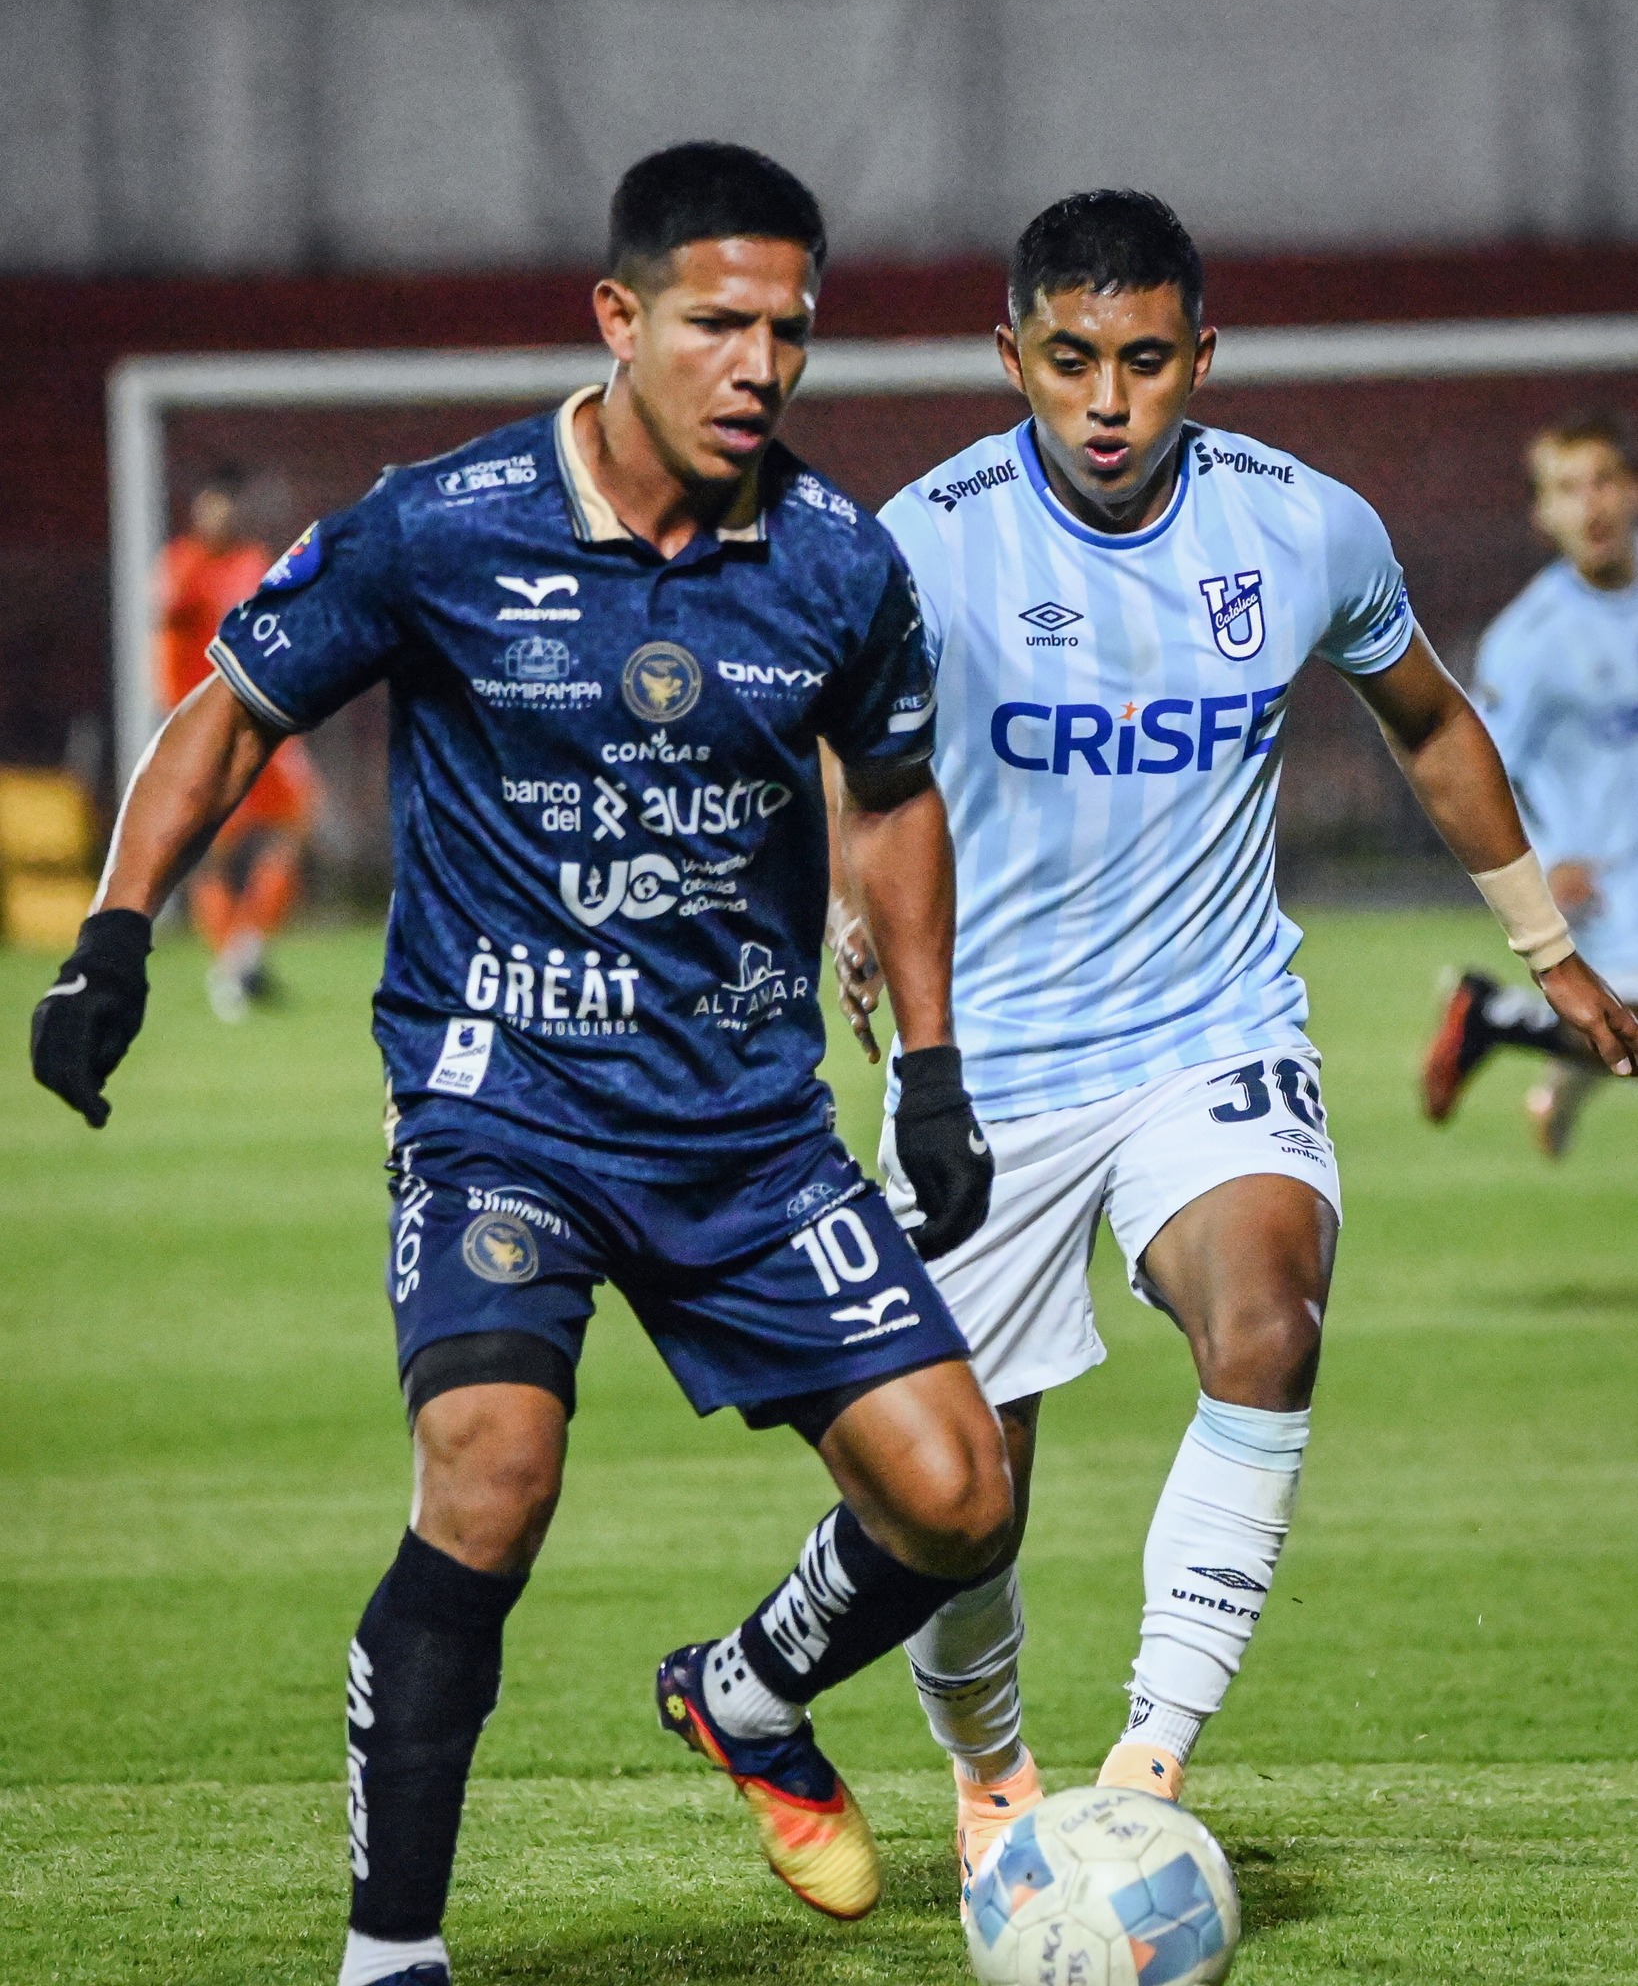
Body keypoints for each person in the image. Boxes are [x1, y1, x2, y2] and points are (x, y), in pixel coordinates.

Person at [31, 144, 1010, 1986]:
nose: (760, 366)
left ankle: (743, 1688)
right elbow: (231, 706)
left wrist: (935, 1066)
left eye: (789, 330)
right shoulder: (445, 521)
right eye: (718, 323)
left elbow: (888, 807)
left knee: (958, 1497)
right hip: (508, 1104)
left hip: (747, 1125)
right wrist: (115, 931)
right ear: (618, 317)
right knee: (490, 1466)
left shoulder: (834, 563)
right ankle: (392, 1949)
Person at [826, 190, 1638, 1908]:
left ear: (1200, 355)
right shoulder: (923, 542)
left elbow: (1424, 718)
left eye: (1140, 359)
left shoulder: (1298, 527)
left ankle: (1142, 1766)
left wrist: (1544, 954)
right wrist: (854, 922)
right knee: (964, 1487)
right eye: (1068, 361)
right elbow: (850, 758)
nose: (1107, 400)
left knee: (1267, 1321)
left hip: (1212, 1024)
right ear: (1009, 360)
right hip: (993, 1056)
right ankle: (991, 1774)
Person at [1422, 413, 1638, 1153]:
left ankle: (1539, 1066)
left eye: (1605, 480)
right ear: (1544, 515)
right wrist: (1545, 863)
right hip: (1603, 883)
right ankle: (1497, 1017)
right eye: (1569, 489)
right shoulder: (1533, 638)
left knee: (1624, 1033)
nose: (1593, 505)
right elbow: (1480, 766)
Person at [154, 466, 317, 1020]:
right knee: (208, 850)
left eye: (226, 504)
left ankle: (242, 957)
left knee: (295, 825)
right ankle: (233, 965)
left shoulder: (252, 563)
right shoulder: (181, 565)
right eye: (209, 505)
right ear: (197, 510)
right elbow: (169, 626)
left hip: (258, 718)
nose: (218, 515)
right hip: (204, 726)